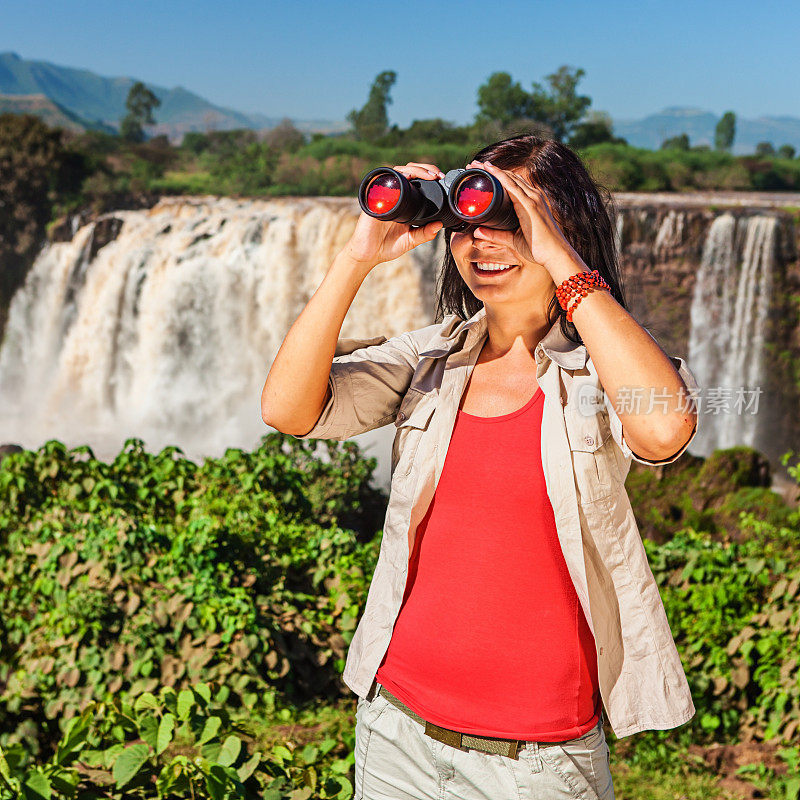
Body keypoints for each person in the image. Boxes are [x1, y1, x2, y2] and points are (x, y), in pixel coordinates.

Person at [261, 134, 700, 800]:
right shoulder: (428, 361)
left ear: (560, 226)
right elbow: (287, 409)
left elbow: (665, 429)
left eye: (508, 218)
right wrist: (358, 258)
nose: (480, 242)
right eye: (464, 222)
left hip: (538, 761)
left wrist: (556, 253)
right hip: (396, 733)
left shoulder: (603, 371)